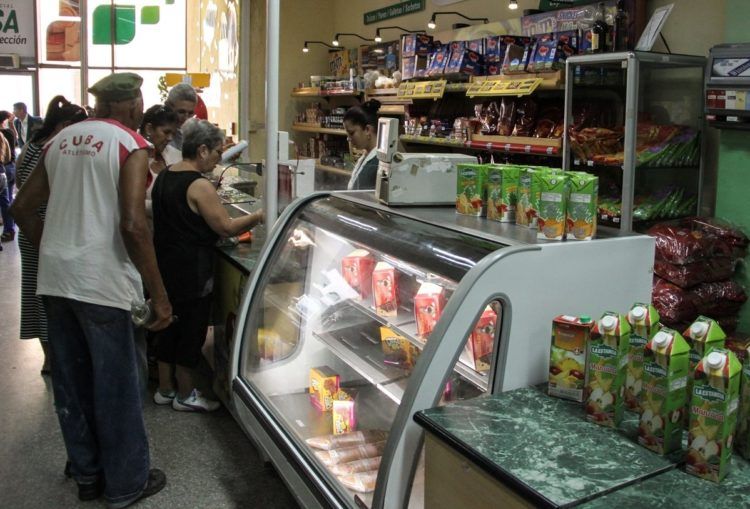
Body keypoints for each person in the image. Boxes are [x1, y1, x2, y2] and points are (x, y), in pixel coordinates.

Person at [10, 72, 172, 507]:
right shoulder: (130, 145)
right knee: (118, 384)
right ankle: (125, 484)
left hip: (57, 280)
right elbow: (134, 225)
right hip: (102, 284)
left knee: (72, 380)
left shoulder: (58, 142)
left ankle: (86, 474)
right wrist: (159, 294)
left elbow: (21, 207)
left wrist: (57, 249)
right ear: (133, 104)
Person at [152, 118, 262, 412]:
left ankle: (165, 389)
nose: (217, 159)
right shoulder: (198, 185)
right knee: (191, 330)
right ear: (201, 150)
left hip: (166, 266)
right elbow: (225, 227)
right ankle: (186, 394)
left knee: (167, 328)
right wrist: (259, 215)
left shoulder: (165, 175)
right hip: (192, 271)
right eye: (216, 153)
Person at [14, 96, 87, 374]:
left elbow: (21, 185)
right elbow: (30, 197)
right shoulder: (48, 149)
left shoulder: (33, 145)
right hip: (40, 230)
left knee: (37, 295)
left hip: (35, 229)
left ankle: (52, 357)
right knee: (48, 296)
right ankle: (52, 358)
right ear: (66, 125)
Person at [138, 104, 179, 223]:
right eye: (166, 132)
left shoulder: (176, 156)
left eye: (173, 133)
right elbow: (127, 201)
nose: (170, 138)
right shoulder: (132, 157)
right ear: (149, 129)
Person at [343, 99, 381, 190]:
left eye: (351, 133)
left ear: (367, 130)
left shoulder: (378, 163)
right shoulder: (365, 156)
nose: (348, 139)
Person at [162, 83, 197, 165]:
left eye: (190, 113)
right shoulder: (157, 133)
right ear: (168, 107)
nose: (186, 118)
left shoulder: (185, 134)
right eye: (181, 112)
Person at [0, 111, 17, 241]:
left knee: (5, 201)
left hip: (4, 168)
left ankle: (9, 228)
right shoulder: (9, 133)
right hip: (10, 167)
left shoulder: (2, 134)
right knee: (8, 201)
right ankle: (9, 228)